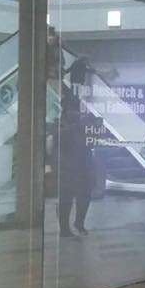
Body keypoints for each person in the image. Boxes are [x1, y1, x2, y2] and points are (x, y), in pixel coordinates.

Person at [53, 92, 95, 237]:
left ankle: (79, 223)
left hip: (85, 166)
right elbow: (58, 139)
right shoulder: (60, 125)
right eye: (73, 109)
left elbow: (92, 141)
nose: (76, 113)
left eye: (77, 109)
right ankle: (64, 229)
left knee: (85, 196)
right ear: (65, 110)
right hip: (67, 169)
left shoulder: (83, 125)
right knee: (66, 199)